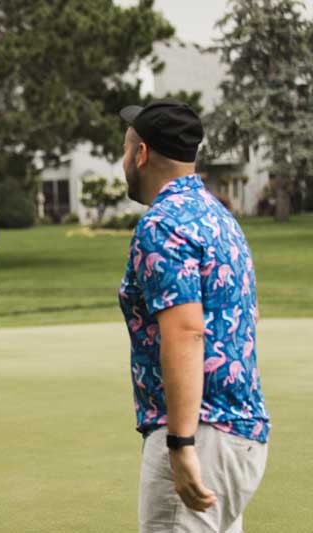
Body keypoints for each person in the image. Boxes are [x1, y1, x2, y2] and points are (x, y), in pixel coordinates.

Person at [118, 99, 270, 532]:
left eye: (126, 149)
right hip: (241, 434)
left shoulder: (163, 224)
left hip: (200, 434)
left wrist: (181, 444)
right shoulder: (220, 218)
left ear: (142, 154)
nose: (123, 160)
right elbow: (248, 316)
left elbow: (186, 332)